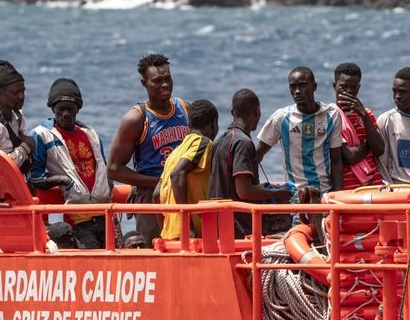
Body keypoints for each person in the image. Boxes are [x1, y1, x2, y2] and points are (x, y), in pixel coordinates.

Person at [107, 54, 190, 243]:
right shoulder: (136, 119)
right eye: (157, 81)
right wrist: (158, 182)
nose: (165, 85)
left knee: (186, 246)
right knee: (154, 248)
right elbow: (113, 169)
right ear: (144, 83)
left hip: (182, 191)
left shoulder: (184, 108)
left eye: (168, 79)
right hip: (151, 195)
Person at [29, 78, 112, 249]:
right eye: (61, 109)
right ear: (53, 109)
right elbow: (34, 177)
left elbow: (103, 169)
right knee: (92, 264)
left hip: (105, 213)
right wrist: (63, 181)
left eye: (70, 109)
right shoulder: (43, 135)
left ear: (77, 109)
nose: (65, 114)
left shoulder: (91, 135)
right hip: (78, 218)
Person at [209, 89, 292, 238]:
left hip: (218, 225)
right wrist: (278, 194)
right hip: (239, 228)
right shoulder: (243, 143)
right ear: (256, 112)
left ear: (232, 112)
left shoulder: (220, 141)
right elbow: (244, 191)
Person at [256, 67, 343, 195]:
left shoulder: (331, 116)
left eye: (302, 86)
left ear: (314, 86)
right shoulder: (281, 118)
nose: (297, 91)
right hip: (295, 197)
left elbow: (336, 160)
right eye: (293, 86)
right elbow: (257, 156)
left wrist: (337, 195)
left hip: (324, 194)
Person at [156, 99, 218, 240]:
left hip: (169, 235)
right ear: (214, 124)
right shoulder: (203, 142)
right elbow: (177, 174)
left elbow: (156, 193)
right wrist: (187, 225)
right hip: (191, 235)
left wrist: (165, 228)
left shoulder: (175, 152)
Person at [332, 62, 384, 190]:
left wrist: (363, 115)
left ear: (359, 87)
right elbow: (350, 156)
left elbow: (380, 149)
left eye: (354, 87)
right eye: (344, 87)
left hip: (374, 185)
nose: (349, 91)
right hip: (349, 188)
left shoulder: (366, 113)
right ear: (335, 86)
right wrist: (368, 145)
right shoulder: (330, 116)